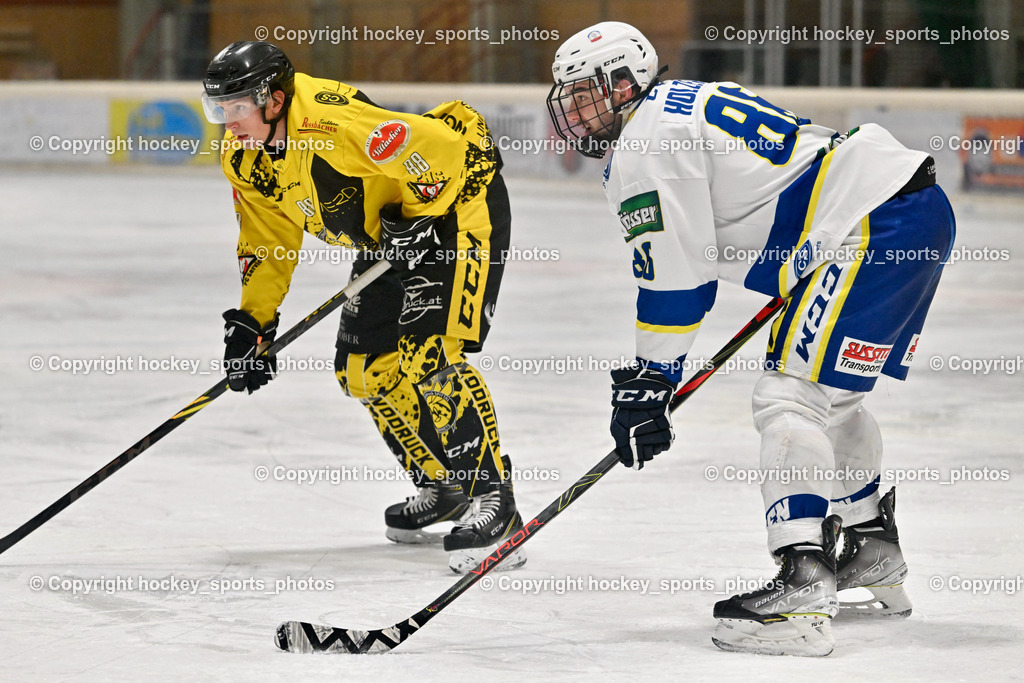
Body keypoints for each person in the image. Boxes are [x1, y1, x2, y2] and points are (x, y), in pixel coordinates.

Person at [547, 22, 954, 656]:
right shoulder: (677, 106)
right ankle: (871, 544)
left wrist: (650, 382)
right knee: (828, 400)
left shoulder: (648, 141)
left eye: (586, 93)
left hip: (870, 226)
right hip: (906, 213)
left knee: (791, 402)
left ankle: (803, 579)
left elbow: (679, 283)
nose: (574, 110)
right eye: (566, 97)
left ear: (627, 83)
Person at [201, 41, 525, 574]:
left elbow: (444, 149)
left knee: (429, 355)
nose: (229, 122)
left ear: (274, 99)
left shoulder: (331, 124)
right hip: (391, 233)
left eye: (238, 108)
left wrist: (419, 216)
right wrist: (254, 323)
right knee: (362, 371)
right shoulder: (246, 159)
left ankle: (495, 500)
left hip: (457, 206)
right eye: (220, 109)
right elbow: (266, 241)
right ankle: (444, 484)